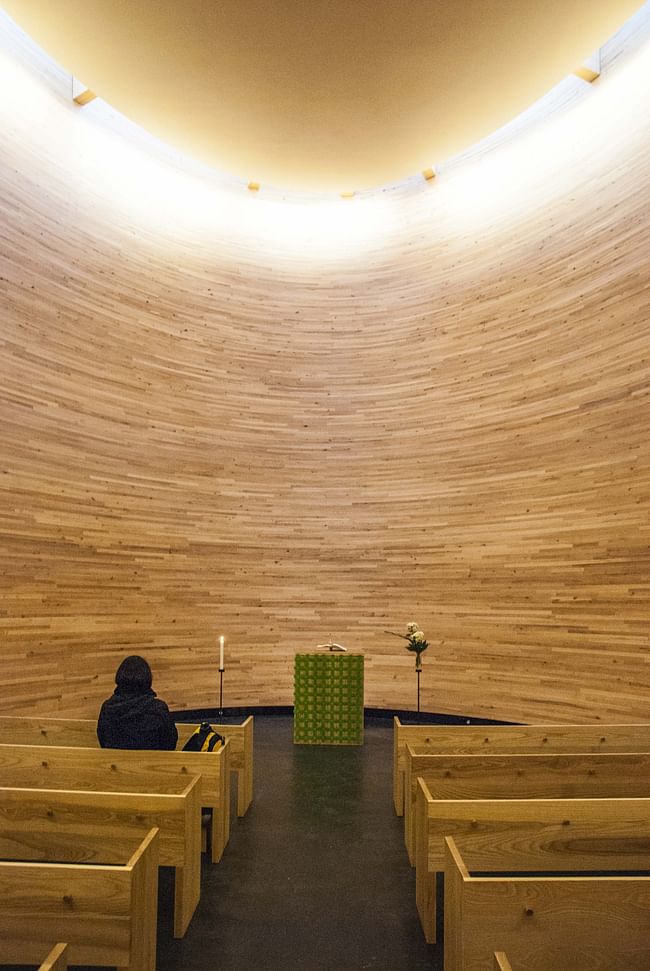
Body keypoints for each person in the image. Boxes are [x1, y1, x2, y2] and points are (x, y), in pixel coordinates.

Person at [97, 654, 178, 750]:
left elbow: (103, 740)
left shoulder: (107, 708)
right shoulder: (159, 709)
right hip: (154, 763)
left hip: (114, 763)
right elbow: (170, 743)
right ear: (148, 678)